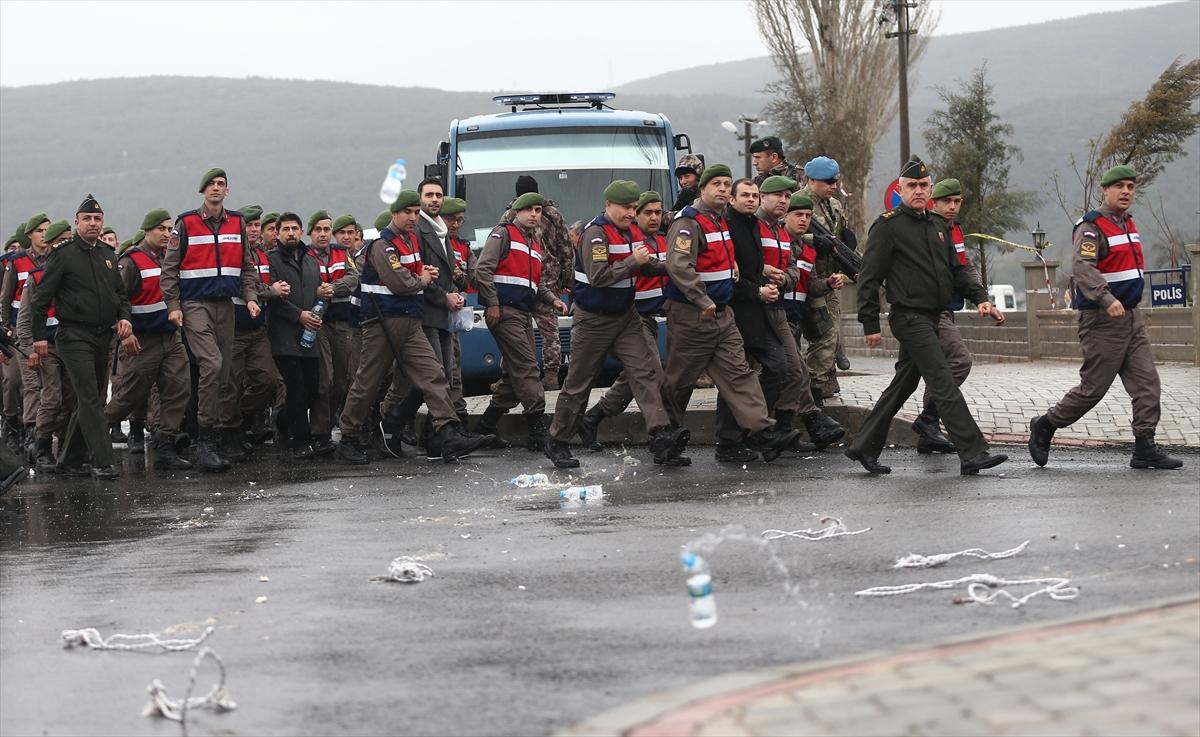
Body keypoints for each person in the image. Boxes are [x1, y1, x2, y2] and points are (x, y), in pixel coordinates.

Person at [845, 156, 1007, 476]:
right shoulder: (888, 226)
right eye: (912, 185)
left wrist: (981, 299)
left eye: (923, 185)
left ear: (930, 190)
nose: (918, 190)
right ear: (901, 190)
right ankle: (973, 452)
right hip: (908, 317)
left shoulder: (937, 226)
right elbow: (869, 278)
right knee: (942, 380)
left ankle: (863, 446)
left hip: (933, 316)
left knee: (901, 386)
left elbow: (958, 271)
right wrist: (870, 322)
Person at [1029, 165, 1182, 470]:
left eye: (1130, 186)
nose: (1126, 191)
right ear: (1105, 190)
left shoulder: (1128, 223)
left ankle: (1144, 447)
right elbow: (1083, 267)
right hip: (1101, 319)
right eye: (1119, 186)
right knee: (1093, 390)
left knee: (1147, 384)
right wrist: (1106, 297)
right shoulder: (1091, 226)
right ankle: (1046, 424)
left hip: (1132, 318)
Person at [335, 191, 490, 464]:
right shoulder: (383, 245)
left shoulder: (410, 242)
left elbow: (413, 276)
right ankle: (349, 436)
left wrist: (422, 275)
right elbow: (401, 283)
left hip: (411, 323)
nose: (413, 217)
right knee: (367, 382)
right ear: (394, 213)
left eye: (417, 213)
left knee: (434, 375)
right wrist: (423, 278)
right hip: (383, 323)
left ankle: (448, 432)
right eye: (407, 212)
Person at [661, 164, 802, 461]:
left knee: (740, 374)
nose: (723, 189)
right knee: (680, 381)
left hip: (723, 313)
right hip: (692, 313)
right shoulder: (688, 222)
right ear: (702, 189)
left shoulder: (720, 221)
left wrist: (732, 270)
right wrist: (702, 300)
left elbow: (724, 258)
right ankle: (664, 436)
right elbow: (678, 265)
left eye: (727, 184)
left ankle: (761, 430)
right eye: (717, 184)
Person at [544, 181, 685, 469]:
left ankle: (661, 434)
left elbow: (646, 265)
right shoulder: (595, 234)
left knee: (646, 372)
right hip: (593, 319)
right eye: (626, 207)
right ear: (608, 205)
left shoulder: (631, 231)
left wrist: (673, 267)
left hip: (626, 316)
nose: (631, 213)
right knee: (579, 382)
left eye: (633, 208)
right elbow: (599, 277)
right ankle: (557, 440)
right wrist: (634, 260)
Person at [160, 168, 263, 471]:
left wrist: (251, 297)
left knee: (224, 374)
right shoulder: (186, 223)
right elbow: (169, 269)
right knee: (212, 364)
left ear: (227, 191)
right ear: (203, 190)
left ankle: (211, 436)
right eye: (211, 184)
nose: (216, 188)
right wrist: (173, 305)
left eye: (221, 184)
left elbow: (246, 266)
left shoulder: (237, 222)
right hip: (194, 304)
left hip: (226, 304)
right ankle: (203, 442)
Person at [29, 194, 132, 479]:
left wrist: (124, 317)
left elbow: (121, 296)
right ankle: (103, 460)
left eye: (97, 219)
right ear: (77, 223)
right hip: (73, 335)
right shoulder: (63, 254)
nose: (93, 223)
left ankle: (70, 460)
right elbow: (40, 300)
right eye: (87, 219)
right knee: (89, 397)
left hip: (102, 336)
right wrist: (39, 337)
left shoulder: (108, 255)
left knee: (92, 398)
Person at [751, 181, 845, 452]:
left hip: (793, 317)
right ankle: (792, 425)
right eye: (798, 215)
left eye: (807, 216)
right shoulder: (775, 237)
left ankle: (784, 429)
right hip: (771, 313)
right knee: (790, 372)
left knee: (794, 372)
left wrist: (828, 284)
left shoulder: (808, 249)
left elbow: (809, 284)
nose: (803, 220)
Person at [475, 192, 567, 449]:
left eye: (538, 210)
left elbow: (534, 283)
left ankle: (485, 426)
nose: (534, 215)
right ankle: (537, 430)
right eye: (529, 210)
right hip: (505, 312)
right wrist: (493, 304)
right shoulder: (503, 234)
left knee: (512, 375)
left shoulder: (533, 244)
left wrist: (552, 300)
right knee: (527, 367)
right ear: (517, 212)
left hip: (523, 313)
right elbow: (483, 269)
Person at [103, 208, 193, 470]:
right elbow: (116, 301)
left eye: (169, 229)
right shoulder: (131, 261)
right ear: (146, 231)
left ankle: (165, 445)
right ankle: (88, 438)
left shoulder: (170, 259)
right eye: (160, 229)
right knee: (129, 396)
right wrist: (126, 333)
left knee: (179, 389)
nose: (166, 234)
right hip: (142, 340)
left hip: (170, 337)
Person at [578, 191, 669, 449]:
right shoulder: (620, 238)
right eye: (646, 213)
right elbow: (602, 275)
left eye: (658, 212)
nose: (654, 218)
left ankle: (593, 417)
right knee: (650, 372)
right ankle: (661, 436)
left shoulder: (662, 240)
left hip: (653, 317)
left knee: (639, 375)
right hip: (631, 316)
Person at [910, 178, 994, 455]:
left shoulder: (953, 229)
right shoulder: (924, 228)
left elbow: (963, 268)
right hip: (927, 312)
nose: (952, 206)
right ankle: (928, 420)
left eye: (957, 202)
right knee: (959, 361)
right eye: (947, 201)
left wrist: (981, 298)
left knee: (932, 371)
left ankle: (929, 432)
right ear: (933, 202)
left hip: (946, 308)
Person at [384, 178, 466, 451]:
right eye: (429, 195)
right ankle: (402, 424)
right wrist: (443, 297)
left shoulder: (441, 230)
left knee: (442, 377)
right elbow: (418, 274)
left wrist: (455, 291)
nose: (434, 200)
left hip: (443, 314)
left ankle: (431, 438)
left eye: (438, 195)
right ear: (420, 199)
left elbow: (444, 273)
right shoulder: (419, 230)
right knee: (433, 377)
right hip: (426, 312)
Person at [499, 176, 572, 391]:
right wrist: (566, 278)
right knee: (549, 330)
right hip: (547, 278)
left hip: (521, 279)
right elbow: (566, 247)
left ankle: (509, 375)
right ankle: (551, 375)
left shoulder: (510, 214)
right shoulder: (552, 213)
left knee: (514, 329)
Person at [220, 204, 280, 454]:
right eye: (250, 225)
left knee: (268, 380)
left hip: (258, 329)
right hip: (234, 329)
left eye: (257, 225)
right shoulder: (230, 253)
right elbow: (246, 286)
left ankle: (242, 420)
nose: (254, 229)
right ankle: (229, 434)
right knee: (231, 385)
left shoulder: (263, 255)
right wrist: (272, 291)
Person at [15, 219, 74, 471]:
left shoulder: (77, 273)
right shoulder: (37, 276)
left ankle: (67, 449)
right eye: (60, 241)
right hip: (46, 346)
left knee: (71, 398)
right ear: (49, 244)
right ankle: (41, 447)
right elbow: (24, 318)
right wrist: (29, 349)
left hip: (73, 344)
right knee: (52, 398)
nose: (65, 245)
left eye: (68, 240)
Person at [267, 213, 323, 458]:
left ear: (301, 232)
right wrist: (297, 315)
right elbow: (271, 298)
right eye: (286, 229)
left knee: (312, 388)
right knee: (296, 388)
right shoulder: (271, 260)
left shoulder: (311, 261)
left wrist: (319, 307)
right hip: (283, 335)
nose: (291, 233)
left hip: (309, 335)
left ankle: (281, 421)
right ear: (277, 233)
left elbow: (316, 293)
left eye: (295, 228)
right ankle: (301, 442)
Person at [800, 156, 853, 404]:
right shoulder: (797, 202)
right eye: (828, 181)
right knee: (822, 335)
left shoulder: (835, 205)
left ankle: (821, 386)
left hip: (831, 280)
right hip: (807, 278)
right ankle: (812, 390)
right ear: (811, 180)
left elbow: (839, 240)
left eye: (835, 181)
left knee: (830, 335)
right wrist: (813, 241)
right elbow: (784, 233)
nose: (833, 185)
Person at [306, 209, 358, 455]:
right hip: (318, 323)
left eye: (327, 229)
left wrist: (332, 288)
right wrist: (316, 291)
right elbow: (301, 283)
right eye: (318, 229)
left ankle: (327, 425)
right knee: (324, 380)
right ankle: (319, 433)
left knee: (341, 381)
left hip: (342, 323)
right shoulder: (304, 255)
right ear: (310, 233)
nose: (323, 234)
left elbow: (353, 278)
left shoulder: (341, 253)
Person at [0, 213, 49, 453]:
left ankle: (38, 431)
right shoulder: (16, 262)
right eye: (39, 231)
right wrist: (6, 328)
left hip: (48, 331)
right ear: (29, 235)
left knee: (44, 385)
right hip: (18, 334)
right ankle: (14, 424)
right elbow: (6, 298)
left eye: (47, 230)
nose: (44, 235)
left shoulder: (56, 260)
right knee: (15, 381)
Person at [443, 197, 474, 425]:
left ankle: (458, 416)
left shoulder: (463, 247)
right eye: (450, 219)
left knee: (455, 363)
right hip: (434, 313)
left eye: (460, 220)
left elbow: (474, 276)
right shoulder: (432, 241)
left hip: (454, 316)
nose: (455, 225)